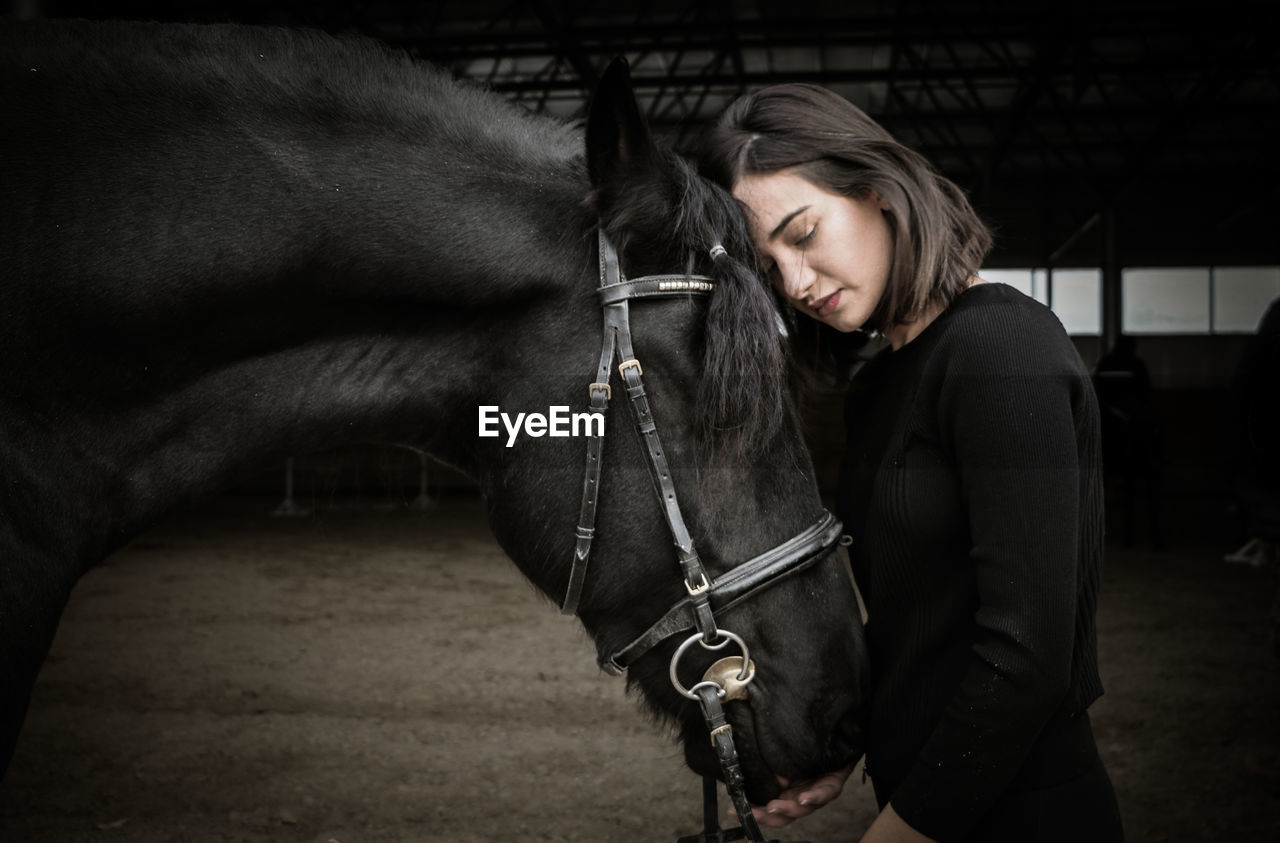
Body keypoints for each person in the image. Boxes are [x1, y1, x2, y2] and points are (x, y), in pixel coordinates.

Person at [701, 84, 1123, 842]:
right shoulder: (878, 388)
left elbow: (1028, 657)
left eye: (802, 233)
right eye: (769, 265)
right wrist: (844, 750)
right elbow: (916, 627)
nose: (793, 284)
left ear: (877, 190)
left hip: (1024, 812)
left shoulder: (1002, 351)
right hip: (927, 793)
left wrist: (900, 832)